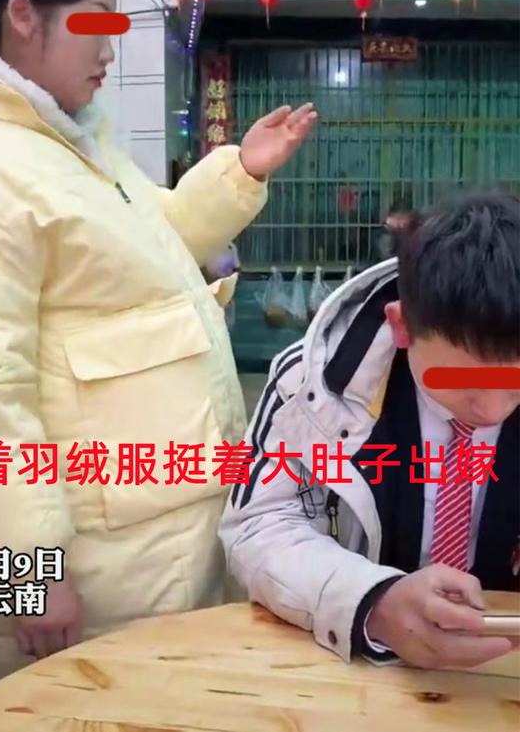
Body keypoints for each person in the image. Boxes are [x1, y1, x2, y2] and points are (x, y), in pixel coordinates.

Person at [0, 0, 318, 680]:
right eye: (96, 20)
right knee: (72, 705)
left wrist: (240, 170)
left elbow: (157, 247)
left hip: (158, 524)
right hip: (86, 561)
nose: (111, 47)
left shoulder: (69, 143)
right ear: (23, 16)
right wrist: (25, 572)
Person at [220, 191, 520, 670]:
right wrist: (372, 602)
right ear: (402, 326)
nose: (494, 410)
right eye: (466, 382)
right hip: (353, 664)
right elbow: (258, 524)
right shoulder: (313, 385)